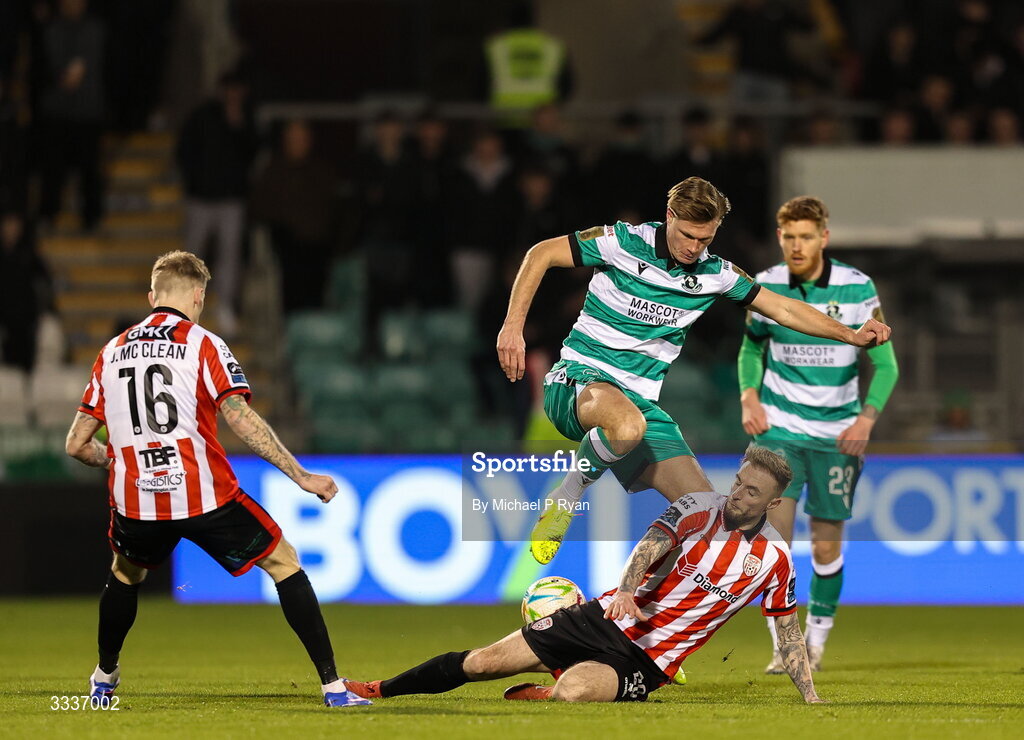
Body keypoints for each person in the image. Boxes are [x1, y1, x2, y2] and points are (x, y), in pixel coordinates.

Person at [496, 177, 891, 565]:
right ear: (669, 216)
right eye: (687, 235)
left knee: (711, 521)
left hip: (639, 406)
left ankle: (631, 616)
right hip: (578, 382)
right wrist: (513, 327)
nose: (693, 247)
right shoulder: (623, 242)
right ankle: (564, 497)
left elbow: (783, 308)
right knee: (628, 427)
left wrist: (851, 336)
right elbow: (541, 253)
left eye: (705, 239)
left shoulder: (715, 274)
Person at [64, 251, 370, 708]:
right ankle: (332, 687)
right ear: (199, 296)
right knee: (283, 562)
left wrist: (120, 459)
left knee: (125, 575)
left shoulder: (110, 352)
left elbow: (76, 444)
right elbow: (240, 418)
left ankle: (104, 677)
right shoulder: (204, 344)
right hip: (206, 499)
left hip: (138, 501)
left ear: (152, 297)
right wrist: (300, 475)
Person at [343, 447, 823, 704]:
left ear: (773, 504)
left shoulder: (776, 562)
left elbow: (787, 631)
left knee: (575, 692)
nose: (737, 494)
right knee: (483, 663)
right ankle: (378, 689)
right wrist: (629, 590)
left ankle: (553, 684)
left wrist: (811, 696)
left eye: (751, 491)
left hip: (647, 663)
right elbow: (650, 545)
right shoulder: (699, 508)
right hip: (603, 618)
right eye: (738, 481)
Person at [737, 196, 899, 673]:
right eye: (789, 237)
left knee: (826, 545)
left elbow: (885, 363)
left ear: (823, 238)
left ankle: (817, 639)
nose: (796, 245)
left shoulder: (856, 287)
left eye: (806, 236)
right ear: (779, 237)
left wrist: (866, 418)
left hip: (836, 437)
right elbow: (751, 350)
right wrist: (749, 396)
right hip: (781, 430)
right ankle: (784, 645)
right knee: (773, 541)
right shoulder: (764, 285)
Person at [175, 71, 258, 337]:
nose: (233, 94)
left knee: (229, 257)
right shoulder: (202, 116)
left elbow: (254, 153)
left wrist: (239, 125)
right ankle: (183, 309)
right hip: (201, 198)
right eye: (229, 89)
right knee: (191, 256)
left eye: (238, 89)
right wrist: (193, 182)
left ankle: (225, 308)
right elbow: (184, 150)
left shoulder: (247, 118)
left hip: (231, 200)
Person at [38, 0, 106, 232]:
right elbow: (47, 67)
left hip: (88, 111)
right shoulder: (51, 29)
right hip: (57, 110)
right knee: (52, 167)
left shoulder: (96, 29)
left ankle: (91, 218)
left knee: (90, 169)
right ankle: (48, 214)